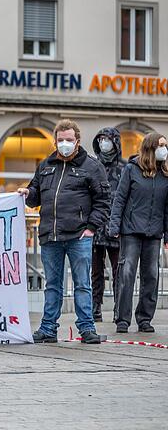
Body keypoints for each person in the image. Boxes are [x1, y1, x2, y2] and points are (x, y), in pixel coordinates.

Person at [18, 119, 109, 345]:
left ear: (77, 141)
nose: (64, 144)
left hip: (79, 236)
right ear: (54, 140)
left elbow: (103, 201)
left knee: (82, 284)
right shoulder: (45, 165)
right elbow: (35, 196)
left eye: (69, 140)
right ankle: (48, 328)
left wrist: (91, 229)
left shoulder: (92, 166)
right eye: (61, 140)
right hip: (50, 235)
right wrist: (26, 193)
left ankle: (87, 328)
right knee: (52, 285)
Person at [108, 132, 168, 334]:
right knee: (127, 274)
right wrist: (114, 226)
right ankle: (122, 319)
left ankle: (144, 318)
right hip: (131, 231)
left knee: (151, 275)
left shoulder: (166, 174)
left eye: (165, 146)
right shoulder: (131, 169)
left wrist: (167, 235)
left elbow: (167, 208)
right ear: (151, 147)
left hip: (154, 233)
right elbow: (120, 200)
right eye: (161, 145)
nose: (164, 149)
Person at [91, 127, 126, 322]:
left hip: (116, 228)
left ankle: (118, 309)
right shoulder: (93, 166)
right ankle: (95, 307)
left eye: (107, 139)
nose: (104, 143)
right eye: (101, 139)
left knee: (118, 271)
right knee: (95, 271)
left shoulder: (124, 168)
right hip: (95, 227)